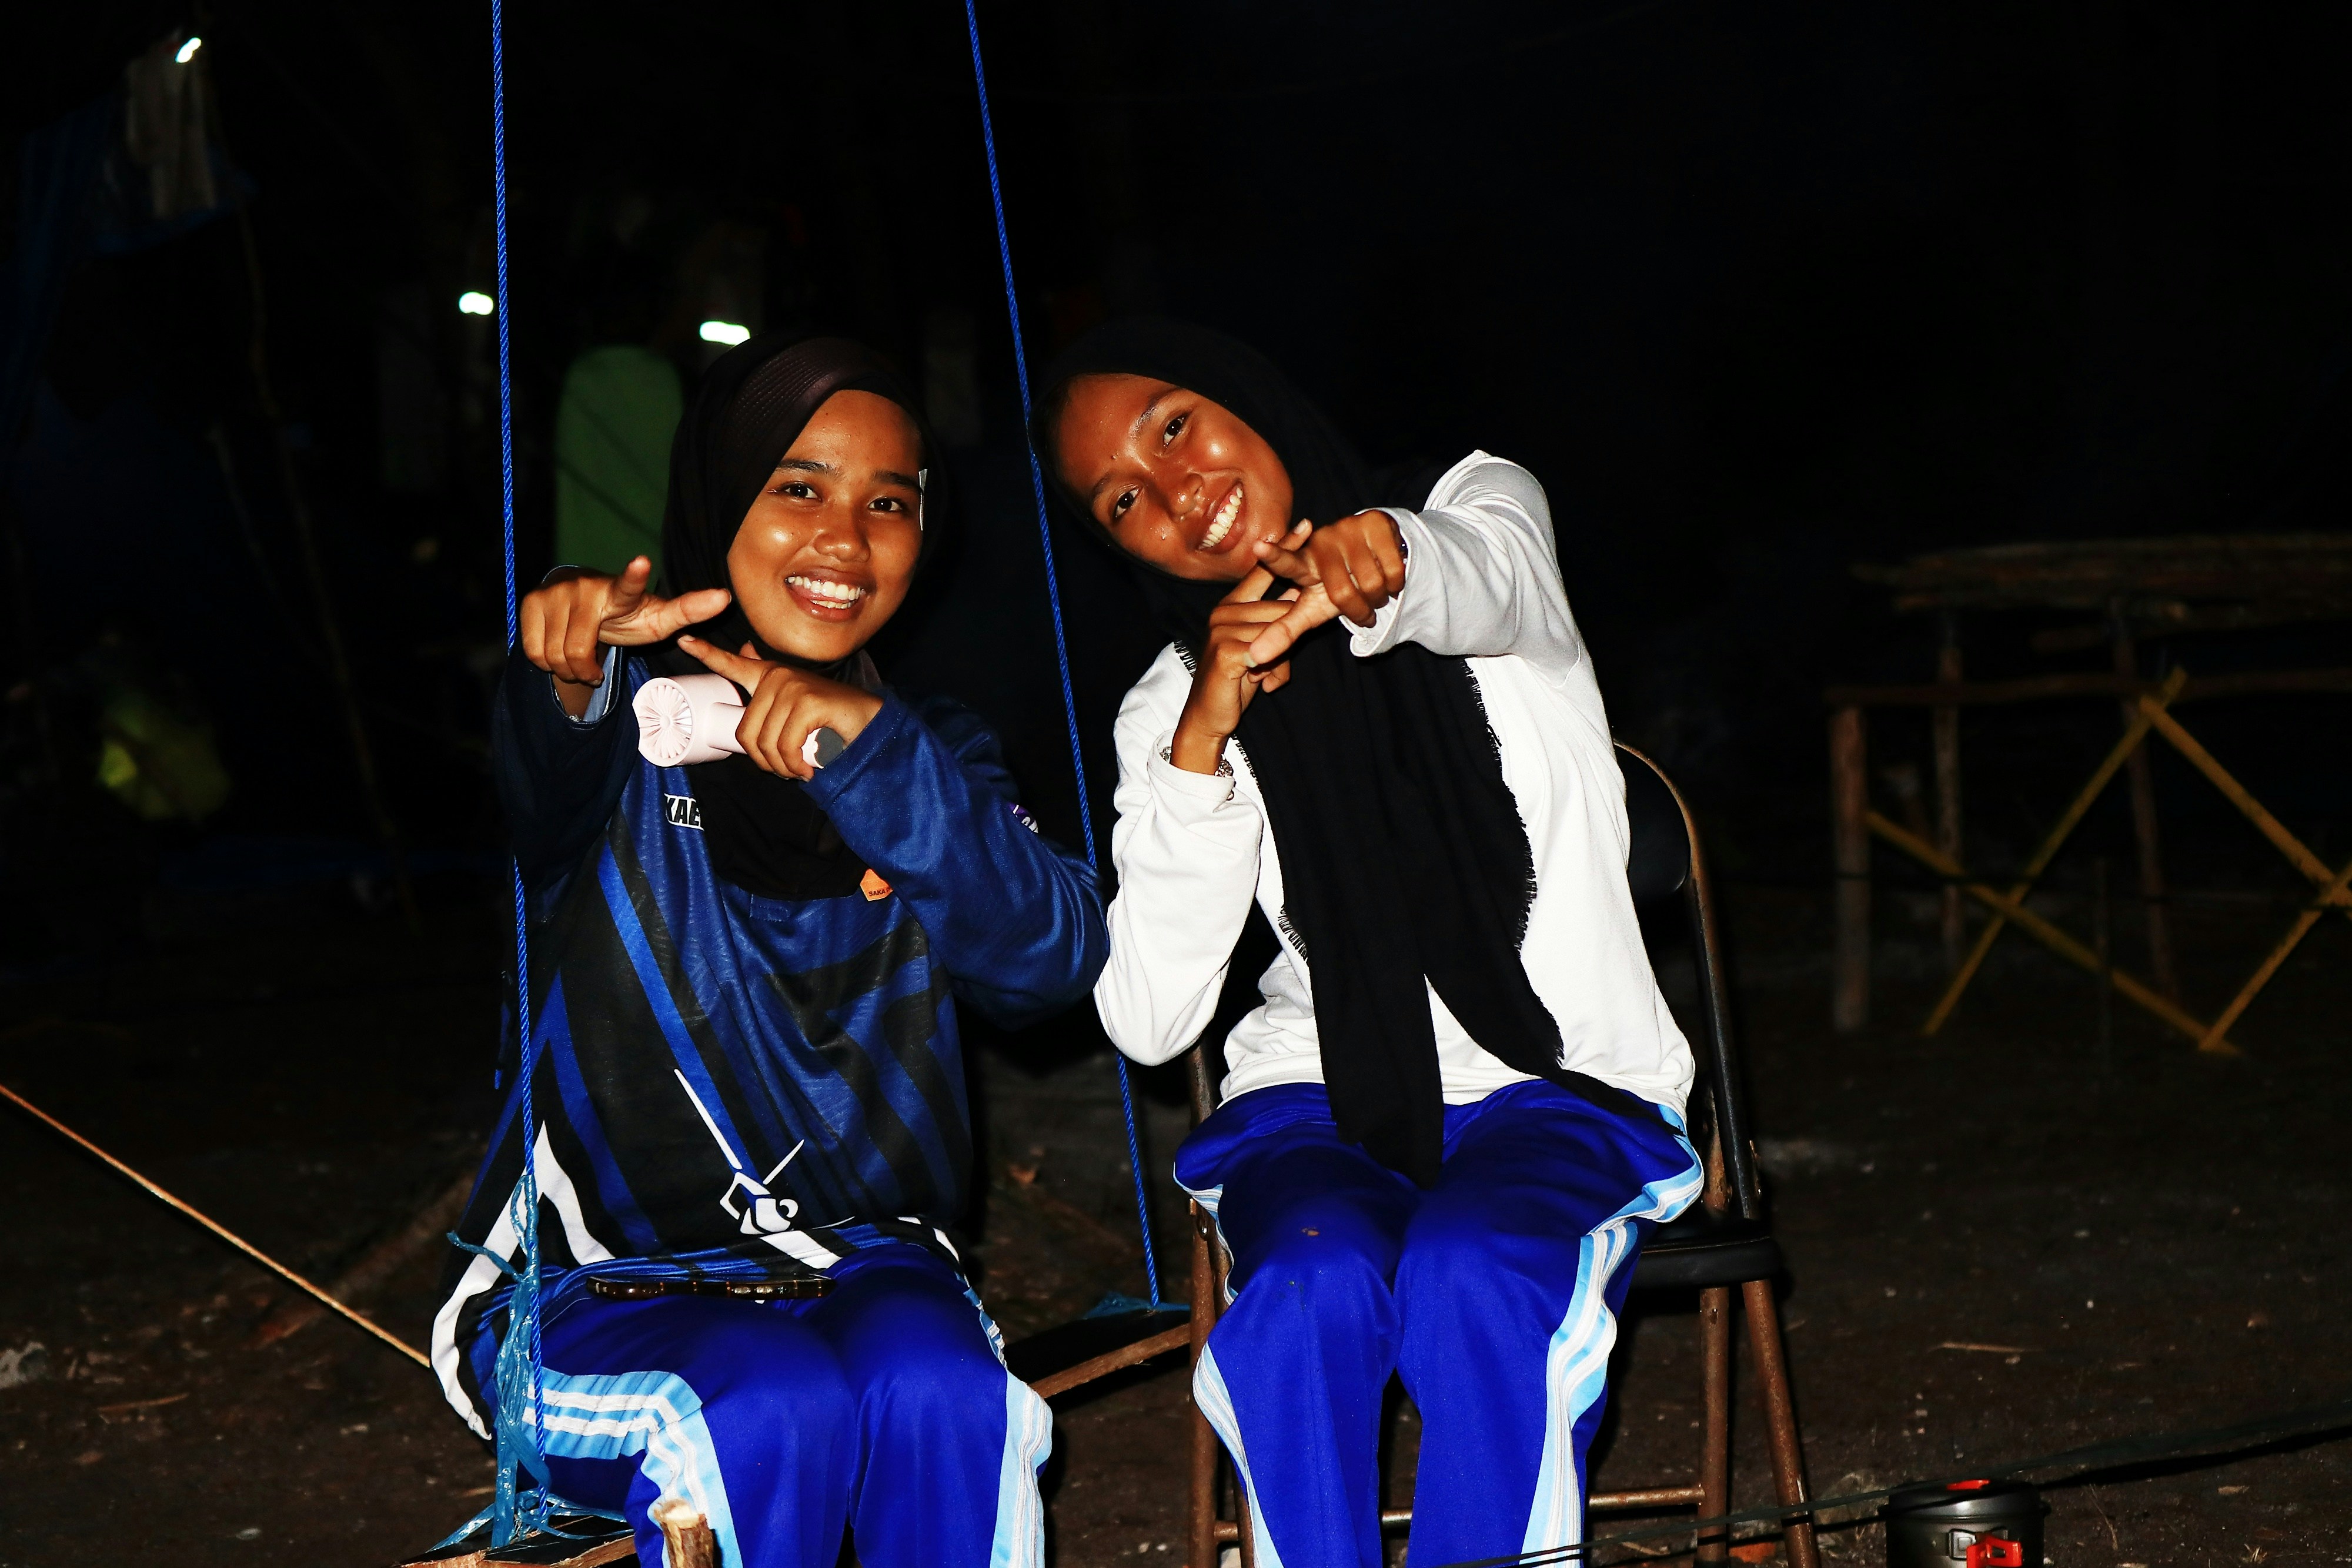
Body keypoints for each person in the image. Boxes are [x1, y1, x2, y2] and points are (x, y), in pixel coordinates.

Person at [432, 335, 1106, 1568]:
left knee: (953, 1395)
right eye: (799, 486)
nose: (844, 538)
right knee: (763, 1407)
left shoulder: (932, 753)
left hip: (866, 1261)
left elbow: (1050, 963)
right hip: (595, 1285)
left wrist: (882, 767)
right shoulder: (616, 721)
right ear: (717, 494)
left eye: (887, 502)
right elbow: (546, 760)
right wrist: (570, 663)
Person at [1034, 320, 1700, 1567]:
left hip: (1560, 1087)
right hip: (1320, 1098)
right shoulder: (1168, 698)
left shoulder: (1469, 504)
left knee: (1470, 1266)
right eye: (1122, 495)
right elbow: (1149, 1016)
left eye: (1175, 423)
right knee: (1308, 1284)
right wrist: (1200, 745)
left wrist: (1389, 559)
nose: (1175, 491)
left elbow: (1487, 573)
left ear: (1242, 390)